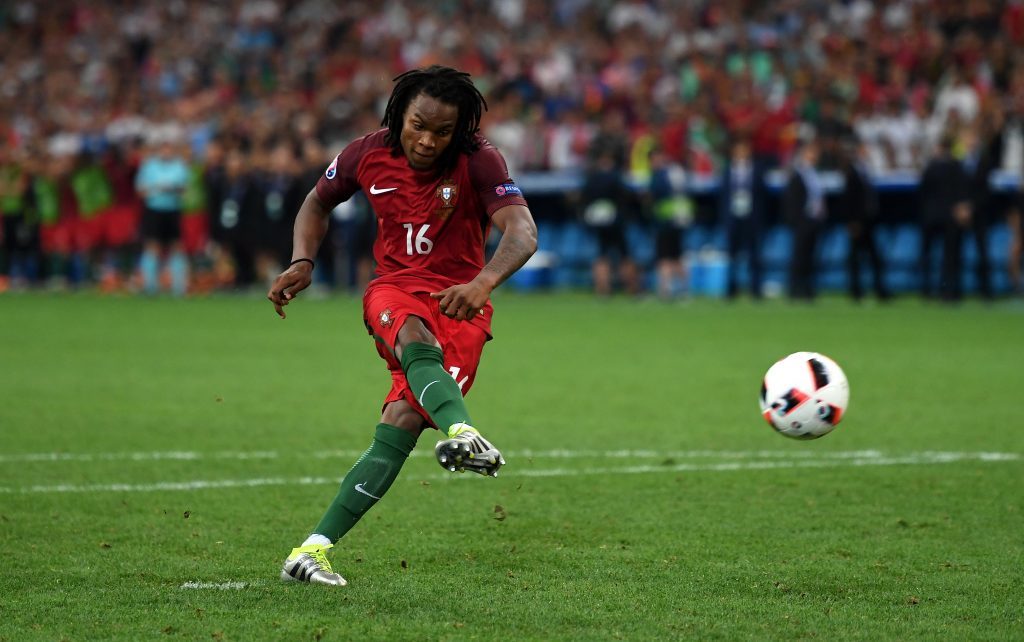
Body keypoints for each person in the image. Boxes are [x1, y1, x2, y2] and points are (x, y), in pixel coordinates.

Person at [267, 66, 538, 587]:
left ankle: (311, 551)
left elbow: (522, 232)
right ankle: (464, 433)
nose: (428, 140)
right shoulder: (365, 152)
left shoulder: (479, 159)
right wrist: (303, 261)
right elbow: (317, 202)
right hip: (395, 289)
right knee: (413, 335)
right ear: (399, 115)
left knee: (402, 421)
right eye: (419, 125)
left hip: (462, 303)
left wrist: (482, 284)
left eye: (442, 131)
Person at [918, 135, 971, 301]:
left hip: (931, 216)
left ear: (939, 147)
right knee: (950, 257)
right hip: (951, 217)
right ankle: (949, 292)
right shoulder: (957, 166)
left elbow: (922, 192)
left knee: (928, 254)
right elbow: (963, 191)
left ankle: (926, 290)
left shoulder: (931, 167)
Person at [838, 138, 890, 302]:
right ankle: (856, 291)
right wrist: (852, 221)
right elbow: (849, 199)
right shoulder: (852, 171)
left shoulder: (865, 170)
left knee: (872, 257)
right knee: (856, 258)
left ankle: (878, 290)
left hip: (868, 220)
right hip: (858, 222)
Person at [719, 136, 765, 299]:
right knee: (732, 255)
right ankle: (731, 289)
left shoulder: (757, 169)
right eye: (739, 150)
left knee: (754, 255)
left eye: (744, 149)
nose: (742, 153)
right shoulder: (727, 170)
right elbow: (723, 196)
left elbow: (761, 195)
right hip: (733, 218)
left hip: (751, 218)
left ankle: (756, 289)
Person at [782, 140, 827, 301]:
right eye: (811, 152)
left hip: (814, 219)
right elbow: (792, 200)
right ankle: (794, 289)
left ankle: (808, 289)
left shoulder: (815, 174)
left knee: (810, 256)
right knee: (799, 256)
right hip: (802, 221)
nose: (814, 156)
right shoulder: (797, 174)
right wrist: (796, 220)